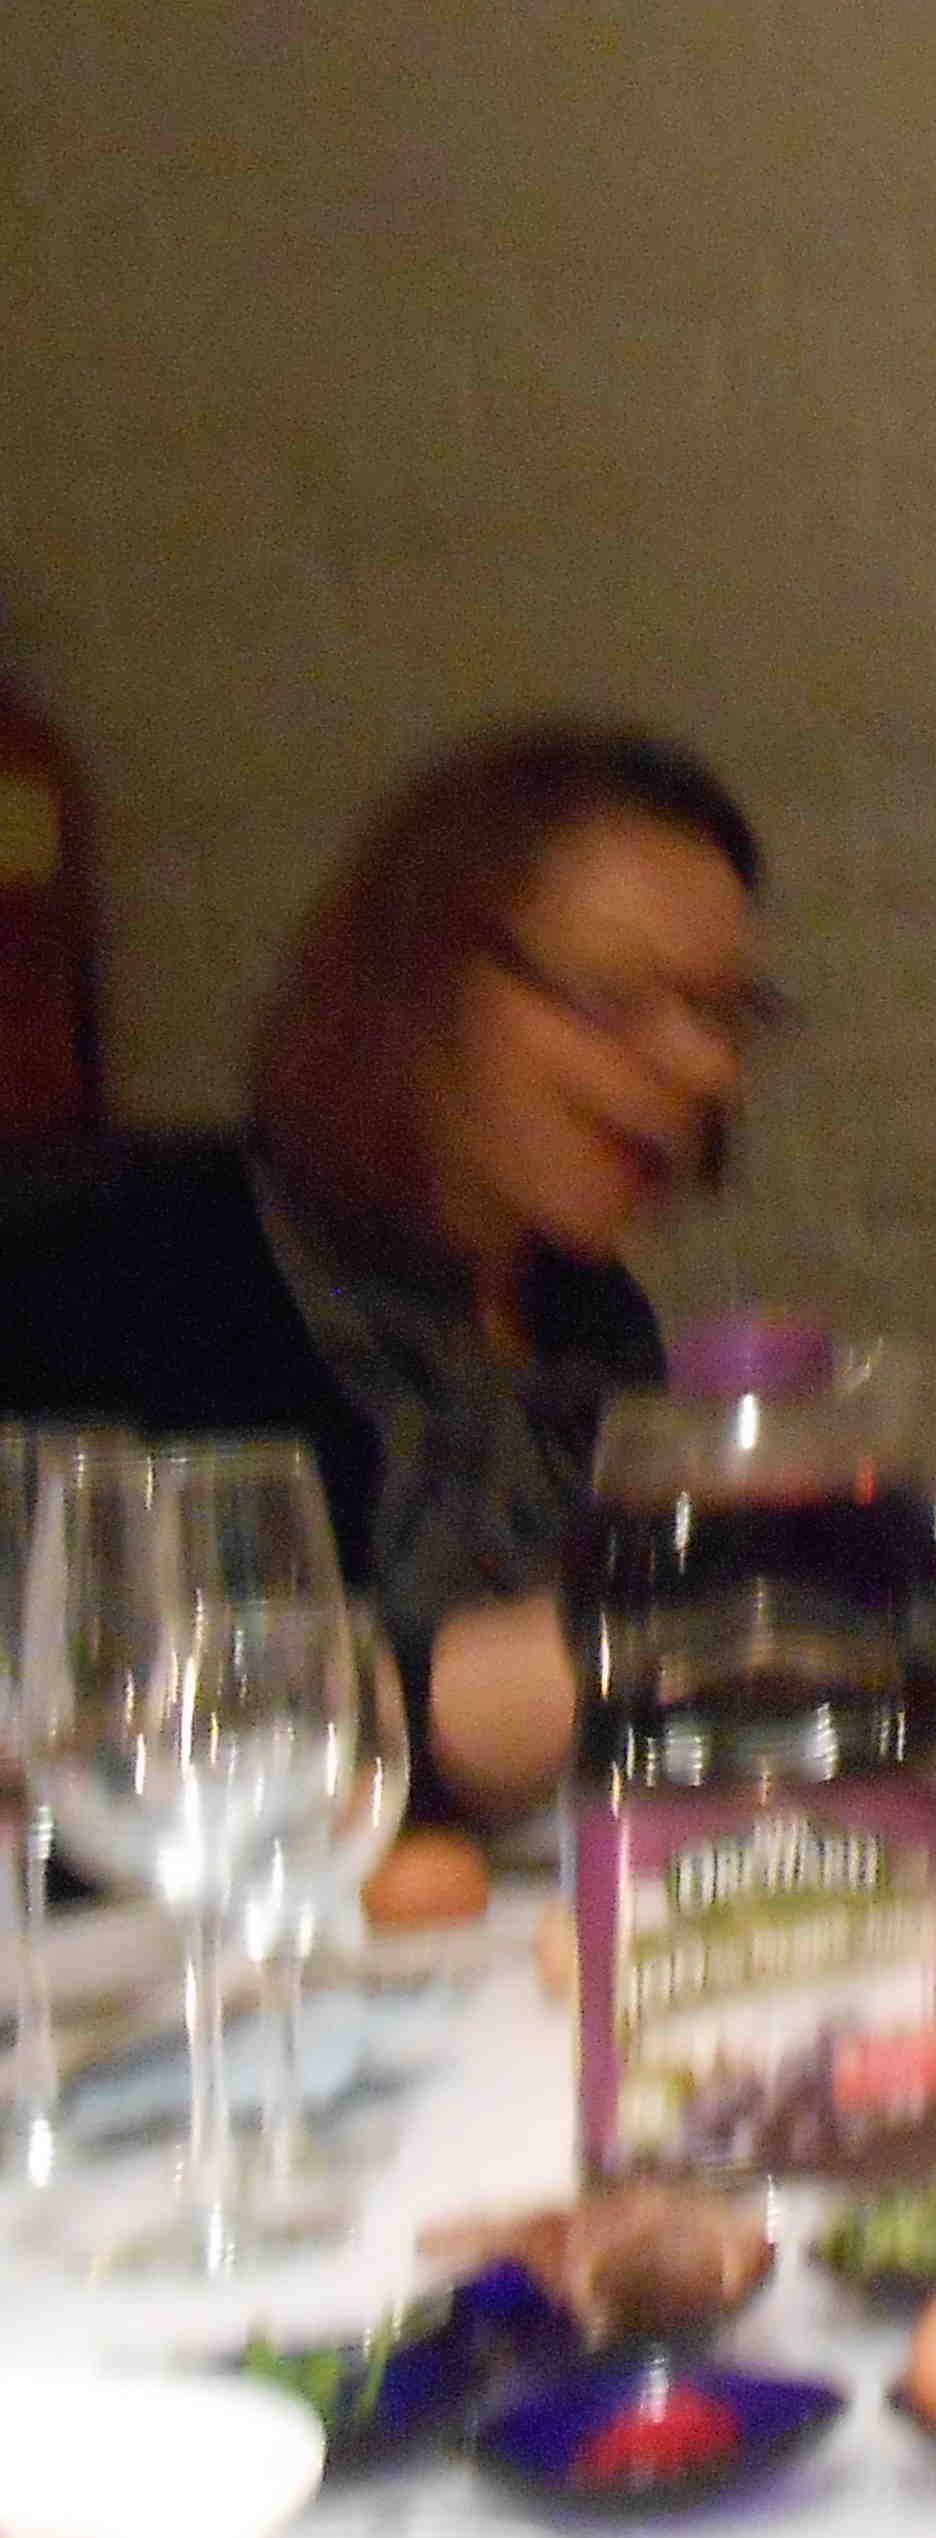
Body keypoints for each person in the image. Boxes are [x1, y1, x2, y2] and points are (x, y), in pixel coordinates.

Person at [0, 723, 771, 1821]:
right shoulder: (125, 1284)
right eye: (613, 996)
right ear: (423, 986)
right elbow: (89, 1754)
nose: (705, 1067)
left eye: (721, 1012)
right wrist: (596, 1660)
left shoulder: (591, 1319)